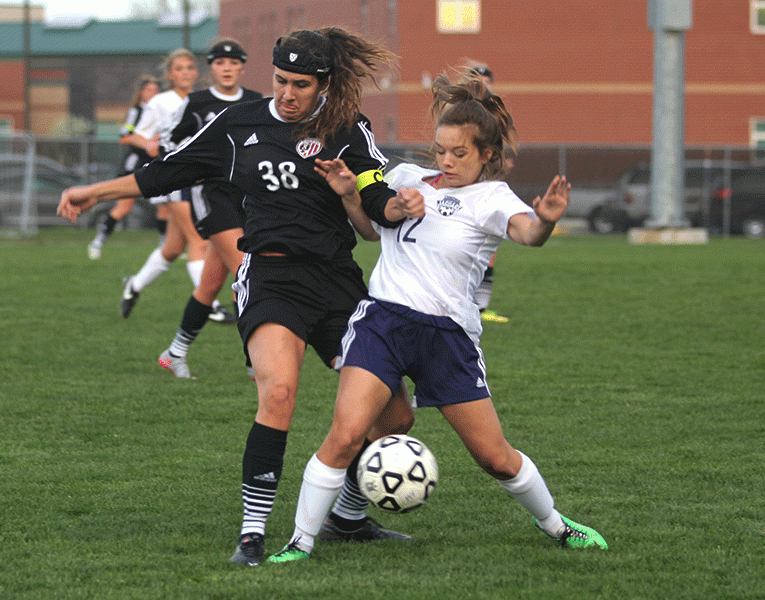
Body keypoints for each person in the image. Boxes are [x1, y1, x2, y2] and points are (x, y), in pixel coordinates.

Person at [57, 27, 426, 568]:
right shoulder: (237, 125)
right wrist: (95, 192)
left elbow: (376, 199)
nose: (288, 93)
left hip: (337, 283)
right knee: (278, 394)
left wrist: (399, 205)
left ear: (324, 83)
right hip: (272, 278)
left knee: (394, 414)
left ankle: (346, 516)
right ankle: (252, 533)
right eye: (280, 81)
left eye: (301, 84)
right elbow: (165, 172)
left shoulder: (348, 129)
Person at [267, 69, 607, 563]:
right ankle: (299, 543)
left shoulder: (491, 198)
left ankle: (558, 526)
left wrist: (548, 221)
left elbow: (528, 233)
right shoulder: (405, 177)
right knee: (345, 435)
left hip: (447, 338)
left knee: (494, 458)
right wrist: (349, 196)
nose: (446, 161)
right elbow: (369, 230)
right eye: (441, 150)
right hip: (382, 323)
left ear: (487, 155)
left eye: (460, 154)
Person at [156, 40, 264, 377]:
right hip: (214, 198)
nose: (227, 68)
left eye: (234, 62)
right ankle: (255, 362)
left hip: (248, 199)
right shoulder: (197, 102)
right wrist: (195, 163)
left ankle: (174, 353)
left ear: (242, 67)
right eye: (220, 62)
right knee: (247, 275)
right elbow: (168, 141)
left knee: (209, 286)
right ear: (212, 68)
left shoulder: (255, 102)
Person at [116, 49, 214, 320]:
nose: (185, 73)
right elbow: (135, 135)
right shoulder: (160, 102)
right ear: (170, 74)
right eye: (179, 68)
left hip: (200, 179)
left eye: (190, 67)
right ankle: (209, 304)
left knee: (172, 249)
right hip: (173, 177)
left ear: (196, 72)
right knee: (199, 240)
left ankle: (133, 285)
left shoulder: (203, 100)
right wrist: (149, 144)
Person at [87, 75, 166, 260]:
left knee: (165, 207)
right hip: (136, 163)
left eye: (155, 90)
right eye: (148, 90)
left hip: (157, 163)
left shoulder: (163, 111)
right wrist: (148, 143)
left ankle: (165, 249)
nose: (152, 93)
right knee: (123, 207)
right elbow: (125, 137)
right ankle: (97, 242)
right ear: (141, 93)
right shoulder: (135, 112)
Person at [465, 60, 509, 323]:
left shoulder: (494, 112)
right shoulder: (460, 113)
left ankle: (481, 306)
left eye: (486, 81)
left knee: (489, 246)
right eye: (477, 81)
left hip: (485, 185)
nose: (483, 86)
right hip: (464, 188)